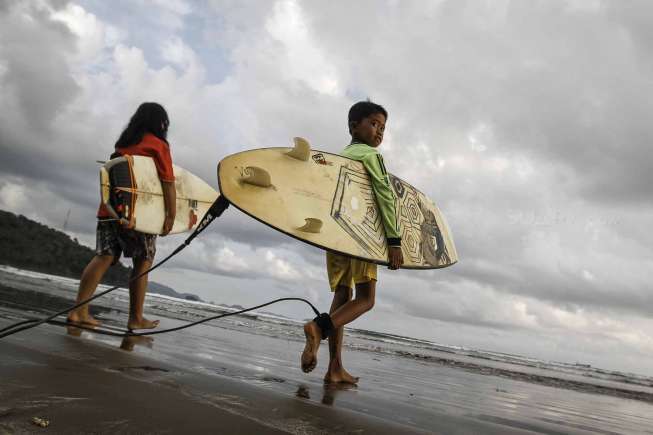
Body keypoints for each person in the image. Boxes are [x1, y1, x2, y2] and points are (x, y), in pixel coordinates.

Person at [301, 101, 403, 384]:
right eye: (374, 124)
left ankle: (334, 368)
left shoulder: (341, 157)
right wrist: (393, 241)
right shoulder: (371, 156)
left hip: (336, 237)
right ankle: (319, 328)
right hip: (360, 237)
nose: (379, 132)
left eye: (383, 127)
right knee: (366, 299)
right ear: (353, 126)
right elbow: (385, 195)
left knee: (342, 299)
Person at [67, 102, 176, 330]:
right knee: (143, 261)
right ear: (160, 123)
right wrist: (170, 216)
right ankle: (135, 318)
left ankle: (78, 312)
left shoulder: (123, 144)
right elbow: (168, 183)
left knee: (103, 256)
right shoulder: (158, 145)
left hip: (110, 210)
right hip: (139, 215)